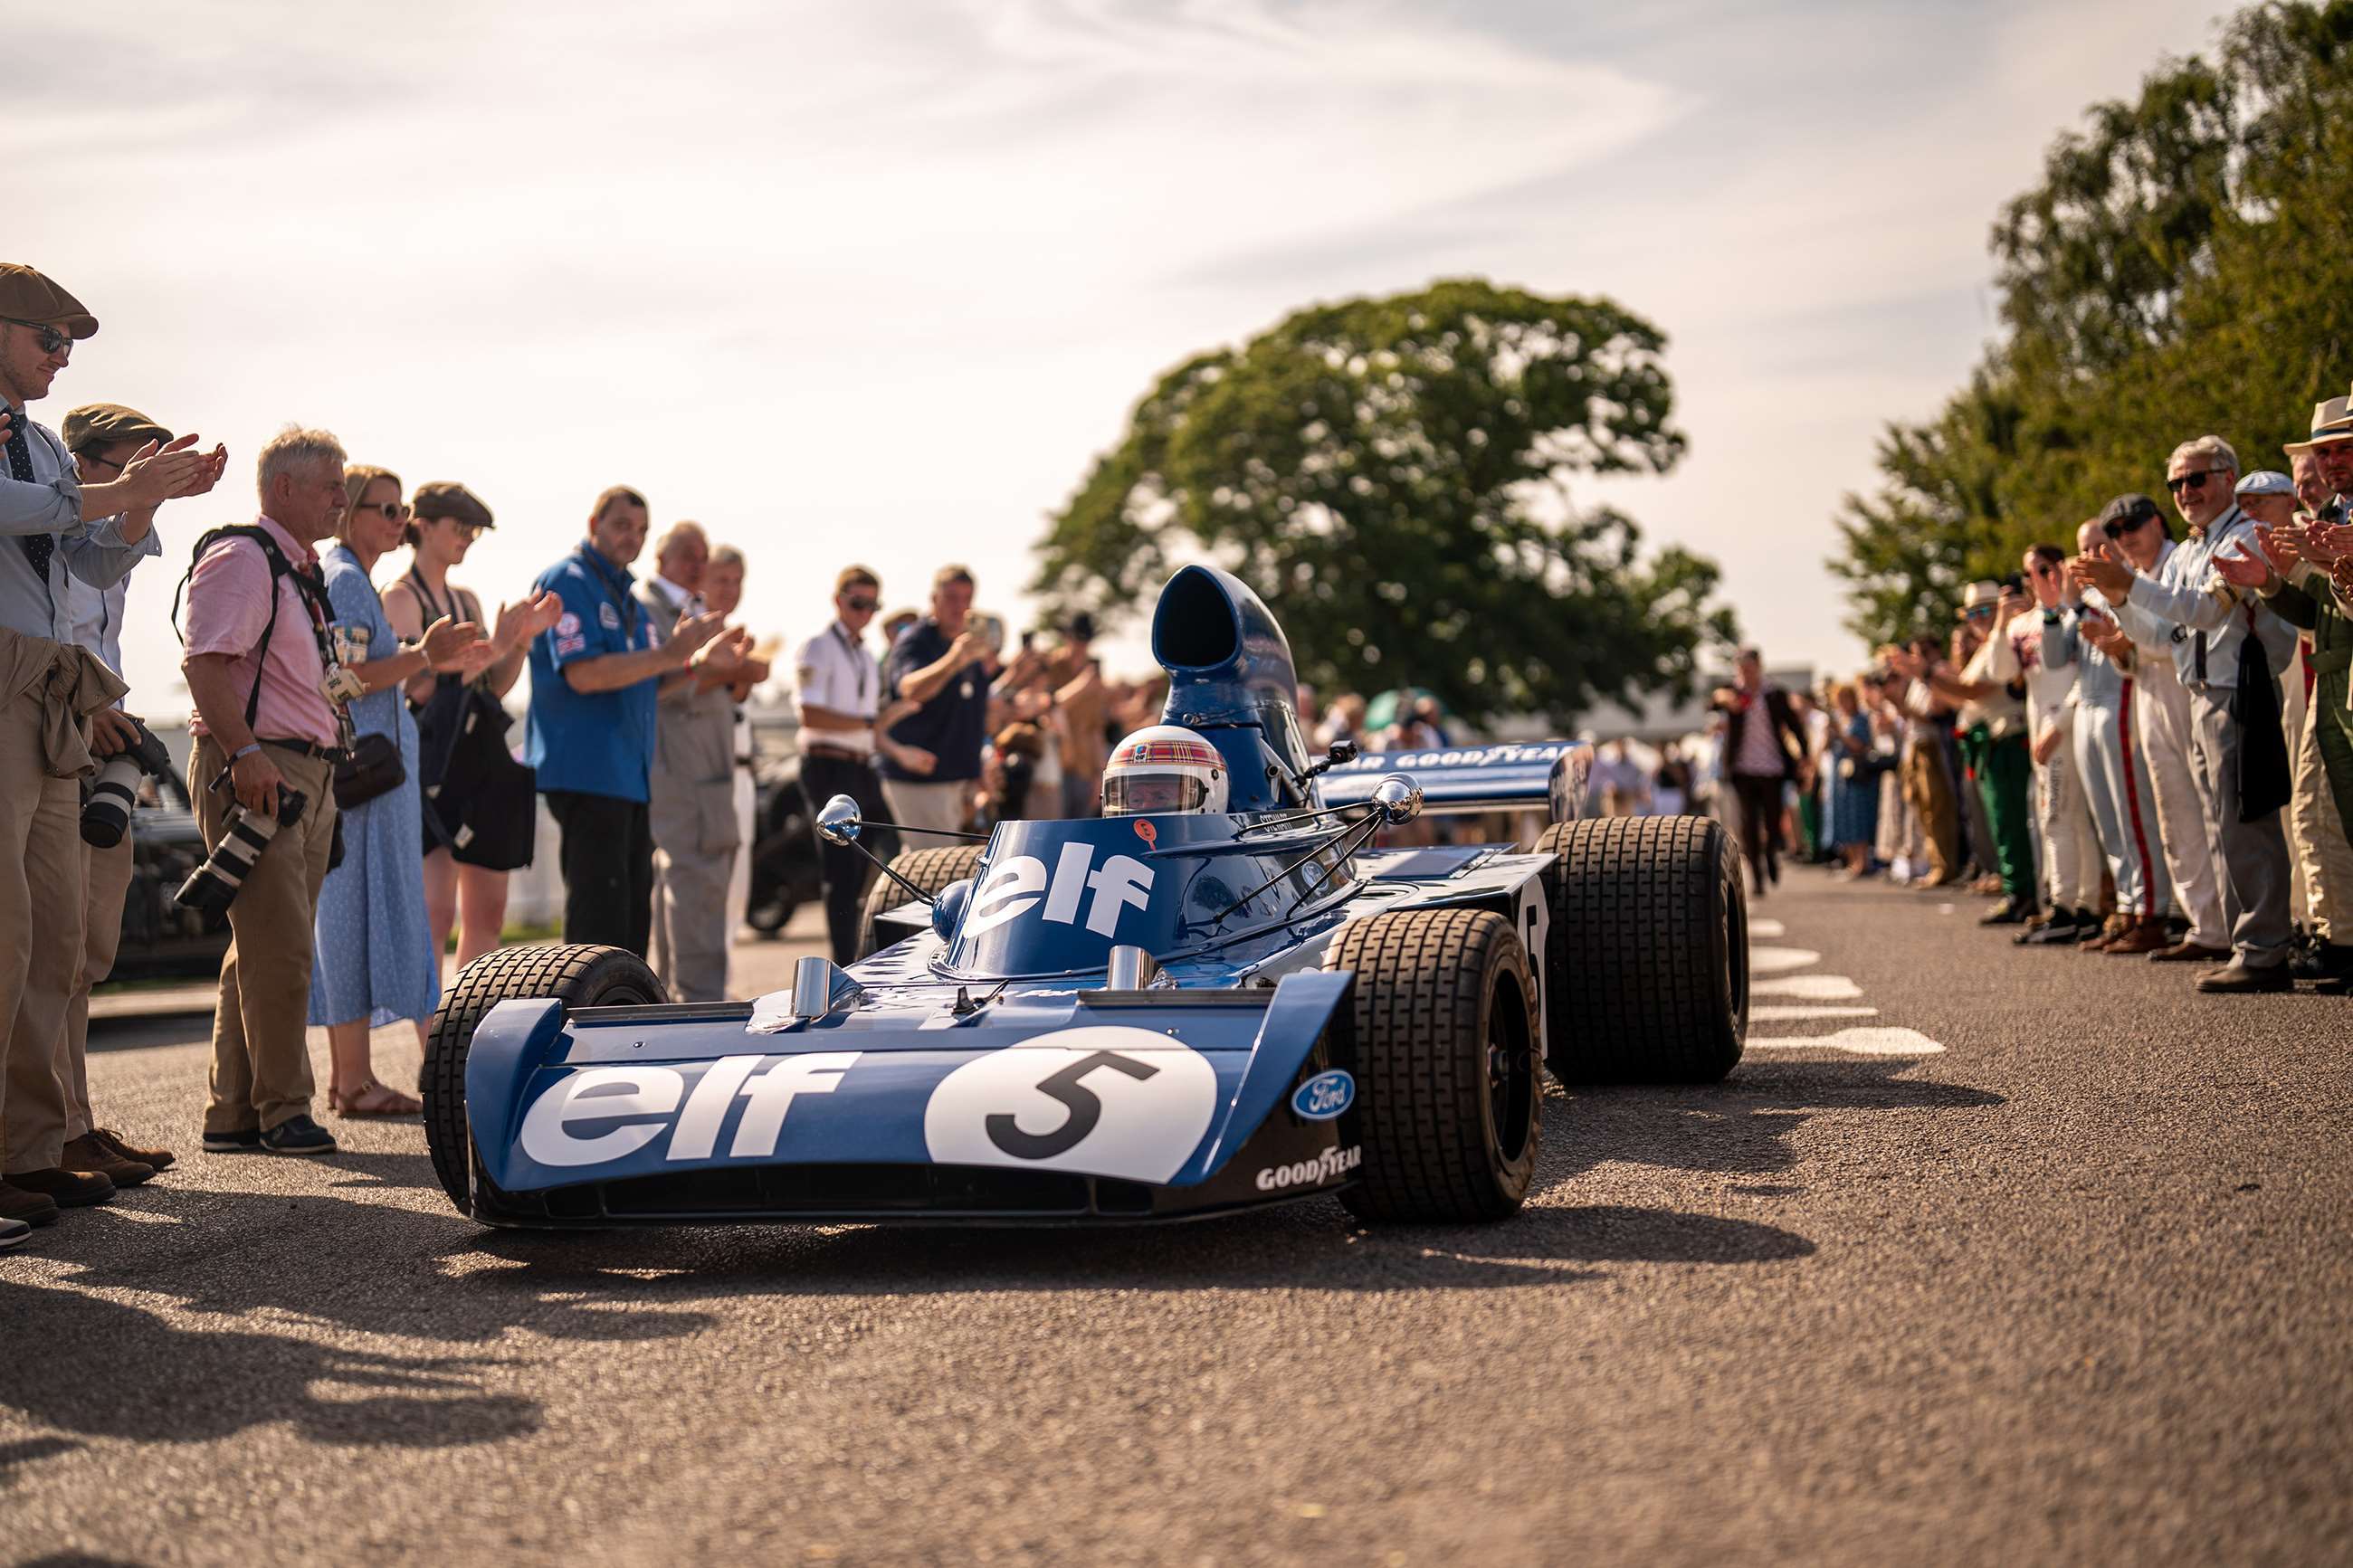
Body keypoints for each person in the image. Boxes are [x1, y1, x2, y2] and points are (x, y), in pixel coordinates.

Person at [3, 268, 216, 1228]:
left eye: (68, 343)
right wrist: (120, 489)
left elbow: (84, 559)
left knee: (52, 937)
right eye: (47, 337)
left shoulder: (43, 442)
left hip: (50, 688)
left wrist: (141, 505)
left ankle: (35, 1146)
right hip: (12, 679)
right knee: (8, 931)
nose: (61, 357)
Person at [182, 427, 358, 1155]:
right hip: (260, 767)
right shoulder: (245, 557)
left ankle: (234, 1112)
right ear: (284, 488)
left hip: (300, 770)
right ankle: (285, 1110)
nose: (343, 499)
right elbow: (203, 664)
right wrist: (247, 753)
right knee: (280, 948)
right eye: (331, 486)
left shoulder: (298, 569)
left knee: (259, 945)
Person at [54, 404, 214, 1190]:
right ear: (82, 465)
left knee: (84, 955)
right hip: (58, 740)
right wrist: (87, 711)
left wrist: (145, 494)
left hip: (100, 748)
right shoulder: (43, 535)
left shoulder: (102, 542)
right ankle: (48, 1134)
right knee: (52, 955)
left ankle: (71, 1124)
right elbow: (50, 647)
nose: (143, 473)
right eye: (130, 462)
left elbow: (101, 628)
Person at [2072, 436, 2299, 992]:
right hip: (2199, 691)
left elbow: (2204, 612)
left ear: (2228, 478)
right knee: (2219, 826)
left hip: (2239, 689)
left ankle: (2266, 948)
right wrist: (2121, 600)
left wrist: (2130, 586)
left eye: (2197, 479)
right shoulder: (2190, 552)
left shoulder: (2246, 534)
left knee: (2247, 823)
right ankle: (2241, 941)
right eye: (2176, 483)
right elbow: (2159, 635)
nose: (2185, 492)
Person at [308, 467, 489, 1117]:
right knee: (350, 920)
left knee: (355, 919)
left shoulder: (350, 577)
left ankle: (349, 1078)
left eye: (401, 509)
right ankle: (353, 1080)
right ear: (349, 512)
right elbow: (340, 679)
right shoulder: (348, 580)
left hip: (374, 780)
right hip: (365, 782)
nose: (399, 521)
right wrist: (421, 656)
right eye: (385, 509)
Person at [525, 487, 727, 956]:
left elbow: (649, 682)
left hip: (629, 779)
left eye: (640, 530)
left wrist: (697, 664)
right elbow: (584, 674)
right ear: (593, 524)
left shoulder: (625, 595)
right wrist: (670, 653)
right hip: (588, 775)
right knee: (599, 930)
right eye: (621, 526)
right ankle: (589, 1008)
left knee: (633, 925)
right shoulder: (569, 580)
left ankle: (624, 1005)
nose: (631, 537)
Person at [385, 481, 560, 982]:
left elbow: (489, 688)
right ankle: (431, 1029)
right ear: (423, 526)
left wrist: (519, 643)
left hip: (477, 764)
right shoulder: (400, 597)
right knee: (435, 913)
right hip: (429, 769)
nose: (468, 538)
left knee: (487, 914)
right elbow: (416, 687)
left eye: (474, 532)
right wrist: (499, 644)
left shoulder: (465, 600)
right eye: (460, 528)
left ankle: (466, 1021)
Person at [2093, 492, 2231, 963]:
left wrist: (2126, 618)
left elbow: (2174, 636)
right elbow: (2141, 650)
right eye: (2115, 531)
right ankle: (2205, 925)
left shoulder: (2179, 562)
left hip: (2192, 690)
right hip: (2151, 695)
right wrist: (2121, 651)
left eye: (2132, 525)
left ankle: (2235, 923)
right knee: (2175, 814)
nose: (2125, 537)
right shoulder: (2133, 575)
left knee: (2211, 808)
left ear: (2157, 522)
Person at [638, 520, 752, 1002]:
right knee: (695, 884)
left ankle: (681, 1000)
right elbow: (652, 687)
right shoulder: (647, 609)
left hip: (707, 769)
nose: (697, 565)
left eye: (702, 556)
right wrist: (705, 666)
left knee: (696, 885)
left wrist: (734, 668)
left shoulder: (693, 610)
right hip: (682, 769)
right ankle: (700, 1003)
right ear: (661, 558)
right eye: (688, 555)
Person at [2040, 525, 2169, 952]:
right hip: (2088, 707)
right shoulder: (2083, 598)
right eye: (2084, 549)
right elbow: (2055, 658)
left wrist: (2081, 604)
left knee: (2133, 814)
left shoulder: (2124, 587)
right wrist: (2058, 606)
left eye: (2100, 546)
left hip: (2119, 701)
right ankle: (2127, 907)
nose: (2091, 555)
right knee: (2108, 820)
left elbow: (2129, 639)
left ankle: (2151, 910)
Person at [795, 565, 892, 964]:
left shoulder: (866, 655)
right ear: (838, 601)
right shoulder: (818, 647)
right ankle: (845, 963)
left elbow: (870, 725)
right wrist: (868, 723)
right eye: (857, 603)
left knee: (883, 854)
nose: (865, 612)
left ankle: (863, 954)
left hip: (861, 766)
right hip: (827, 765)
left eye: (872, 606)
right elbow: (811, 715)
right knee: (841, 871)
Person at [880, 565, 996, 837]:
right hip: (920, 779)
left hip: (956, 777)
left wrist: (977, 769)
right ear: (934, 599)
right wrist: (954, 660)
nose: (960, 607)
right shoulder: (916, 639)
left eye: (966, 599)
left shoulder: (966, 644)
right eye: (952, 598)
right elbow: (910, 689)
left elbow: (976, 710)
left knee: (936, 861)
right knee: (932, 860)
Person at [1709, 648, 1804, 895]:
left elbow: (1795, 725)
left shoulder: (1775, 694)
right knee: (1748, 824)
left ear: (1759, 667)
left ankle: (1771, 853)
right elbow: (1711, 702)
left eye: (1749, 669)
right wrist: (1722, 699)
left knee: (1773, 822)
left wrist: (1804, 755)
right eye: (1741, 669)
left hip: (1773, 767)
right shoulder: (1733, 692)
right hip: (1742, 769)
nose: (1746, 674)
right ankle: (1757, 876)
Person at [1824, 682, 1881, 877]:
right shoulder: (1840, 720)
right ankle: (1852, 861)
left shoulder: (1860, 720)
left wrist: (1840, 732)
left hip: (1857, 777)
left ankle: (1862, 861)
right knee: (1844, 818)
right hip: (1841, 777)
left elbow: (1859, 745)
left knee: (1858, 819)